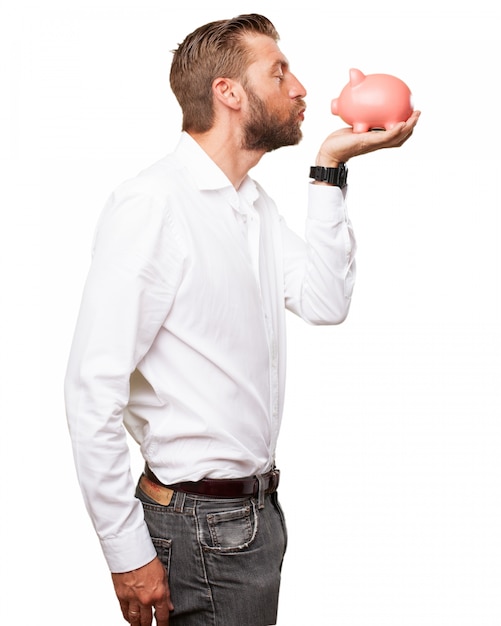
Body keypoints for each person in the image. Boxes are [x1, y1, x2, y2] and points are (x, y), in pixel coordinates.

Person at [64, 13, 419, 626]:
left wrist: (330, 164)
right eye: (279, 72)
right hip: (196, 528)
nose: (301, 87)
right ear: (227, 92)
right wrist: (126, 553)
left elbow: (325, 302)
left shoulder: (252, 206)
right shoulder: (153, 206)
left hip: (254, 521)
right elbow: (90, 391)